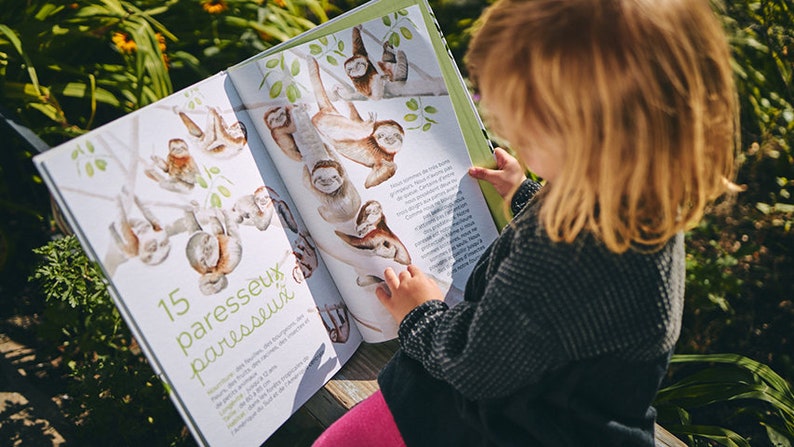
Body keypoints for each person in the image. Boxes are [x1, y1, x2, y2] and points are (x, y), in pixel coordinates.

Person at [312, 0, 738, 445]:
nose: (511, 133)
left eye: (528, 127)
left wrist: (420, 313)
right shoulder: (638, 197)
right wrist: (525, 194)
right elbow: (574, 299)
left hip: (504, 423)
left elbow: (478, 365)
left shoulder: (563, 244)